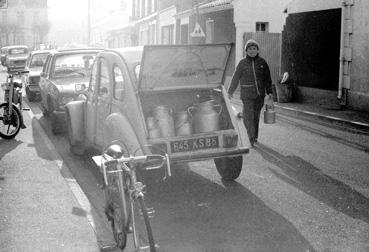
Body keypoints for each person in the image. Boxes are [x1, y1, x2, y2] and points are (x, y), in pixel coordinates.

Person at [228, 39, 273, 146]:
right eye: (249, 49)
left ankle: (254, 136)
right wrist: (230, 92)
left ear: (257, 50)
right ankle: (250, 137)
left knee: (255, 116)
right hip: (247, 95)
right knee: (248, 116)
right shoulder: (242, 63)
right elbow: (235, 78)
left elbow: (267, 78)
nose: (252, 51)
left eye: (254, 48)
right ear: (246, 51)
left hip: (259, 95)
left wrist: (269, 92)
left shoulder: (262, 62)